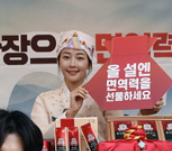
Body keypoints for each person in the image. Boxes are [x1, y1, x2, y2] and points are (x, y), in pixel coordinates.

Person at [30, 30, 164, 142]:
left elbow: (122, 136)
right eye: (66, 57)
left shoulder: (105, 97)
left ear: (89, 64)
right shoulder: (44, 100)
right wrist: (70, 113)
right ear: (58, 61)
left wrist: (144, 113)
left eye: (80, 58)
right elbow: (36, 141)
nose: (72, 64)